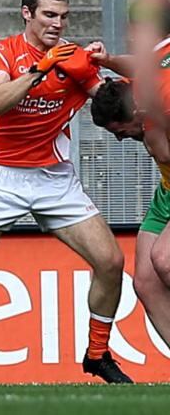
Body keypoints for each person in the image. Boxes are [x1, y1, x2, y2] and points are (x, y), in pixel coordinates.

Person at [0, 0, 132, 383]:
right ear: (27, 14)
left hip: (54, 179)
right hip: (1, 178)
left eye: (64, 17)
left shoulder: (73, 59)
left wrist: (104, 68)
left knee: (110, 262)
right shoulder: (1, 52)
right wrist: (41, 69)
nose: (58, 24)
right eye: (49, 15)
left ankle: (96, 354)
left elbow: (112, 106)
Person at [88, 27, 170, 346]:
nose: (122, 139)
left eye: (121, 131)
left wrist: (150, 127)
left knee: (164, 260)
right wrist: (107, 60)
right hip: (166, 190)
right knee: (146, 283)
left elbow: (163, 153)